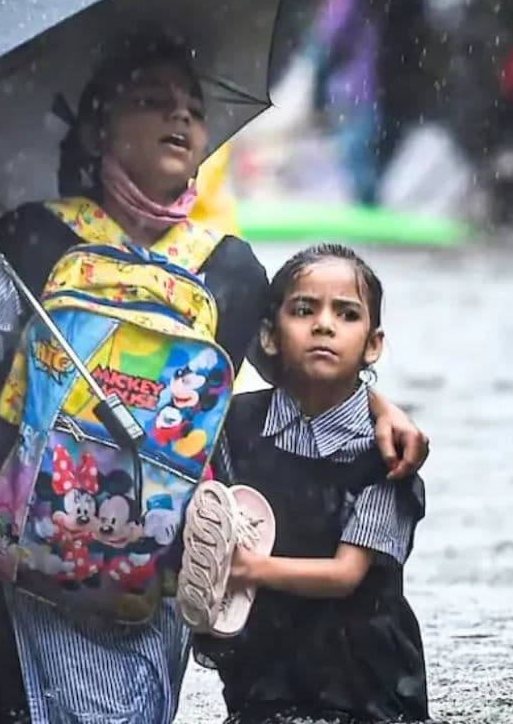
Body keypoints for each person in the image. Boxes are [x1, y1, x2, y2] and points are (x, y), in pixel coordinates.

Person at [0, 30, 430, 724]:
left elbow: (310, 374)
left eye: (193, 108)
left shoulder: (229, 270)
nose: (179, 116)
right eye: (153, 101)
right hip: (13, 583)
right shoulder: (34, 241)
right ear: (99, 128)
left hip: (148, 588)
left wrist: (381, 409)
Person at [188, 243, 428, 724]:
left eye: (346, 314)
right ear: (269, 335)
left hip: (365, 685)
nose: (324, 325)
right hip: (265, 675)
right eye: (303, 310)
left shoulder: (384, 456)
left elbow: (345, 575)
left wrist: (244, 569)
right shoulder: (233, 425)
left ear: (373, 345)